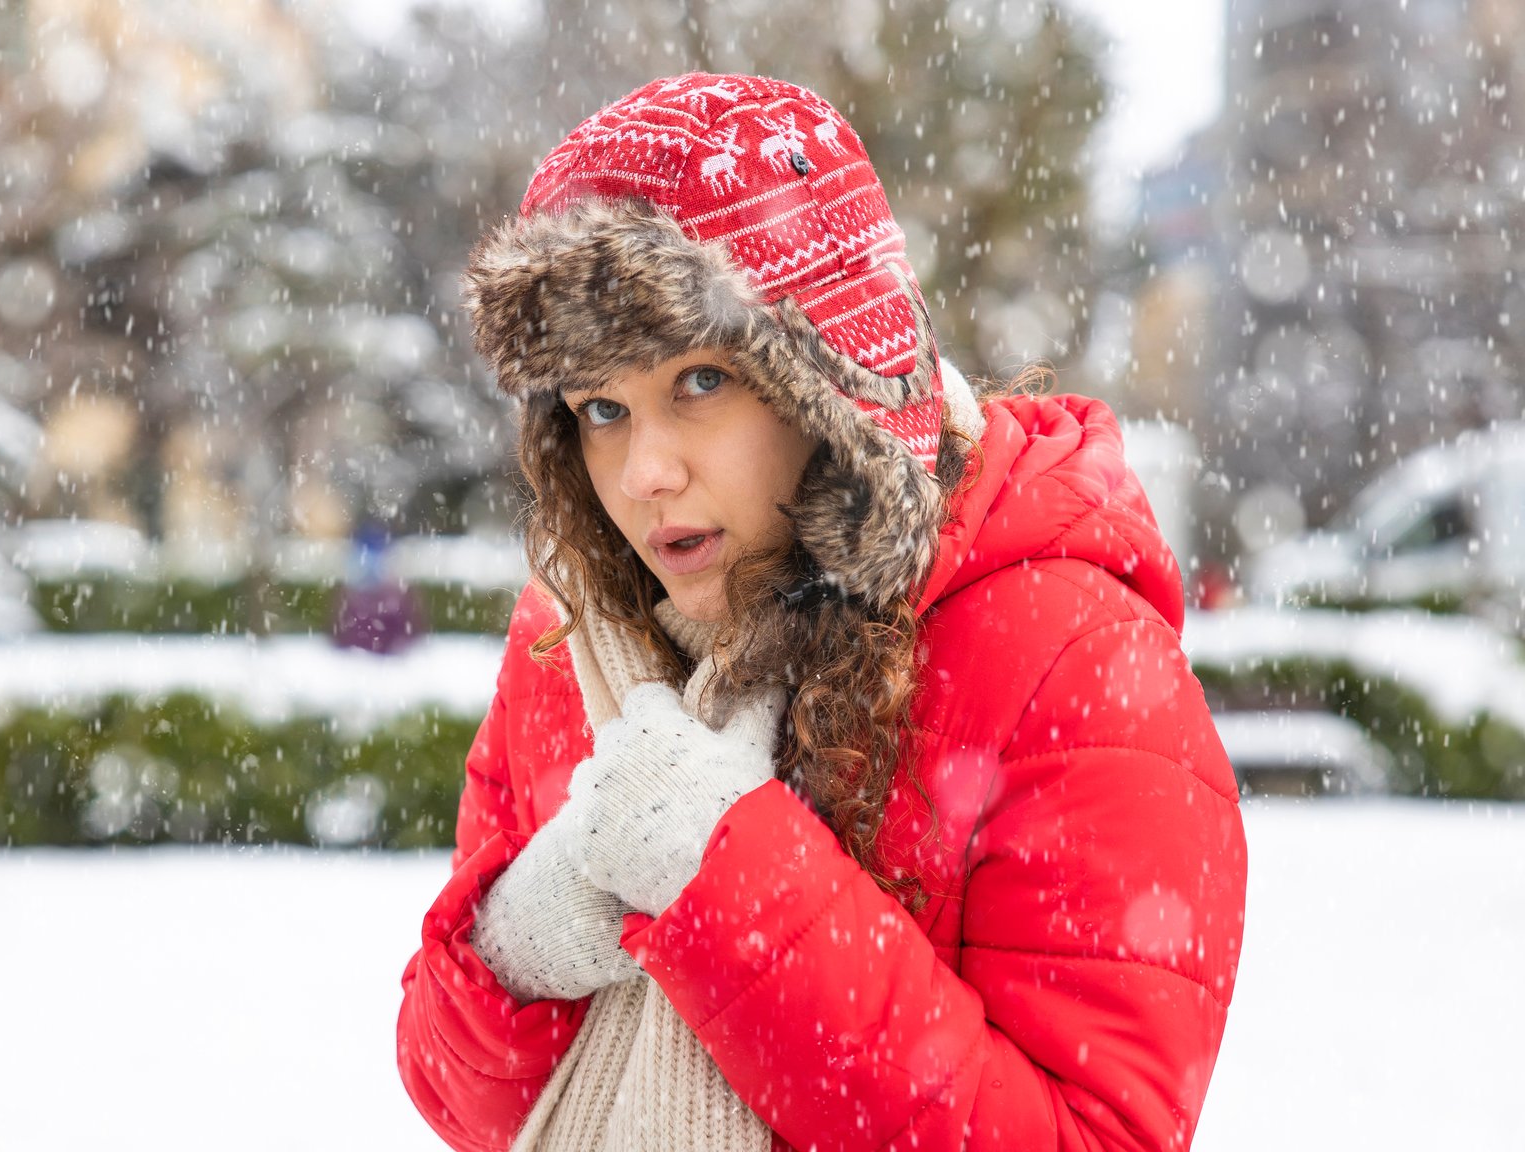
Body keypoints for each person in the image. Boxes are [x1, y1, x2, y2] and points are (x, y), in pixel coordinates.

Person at [396, 73, 1246, 1152]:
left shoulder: (1067, 658)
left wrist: (726, 880)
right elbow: (450, 1096)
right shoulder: (571, 639)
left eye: (697, 382)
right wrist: (528, 938)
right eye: (599, 409)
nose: (644, 470)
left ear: (825, 379)